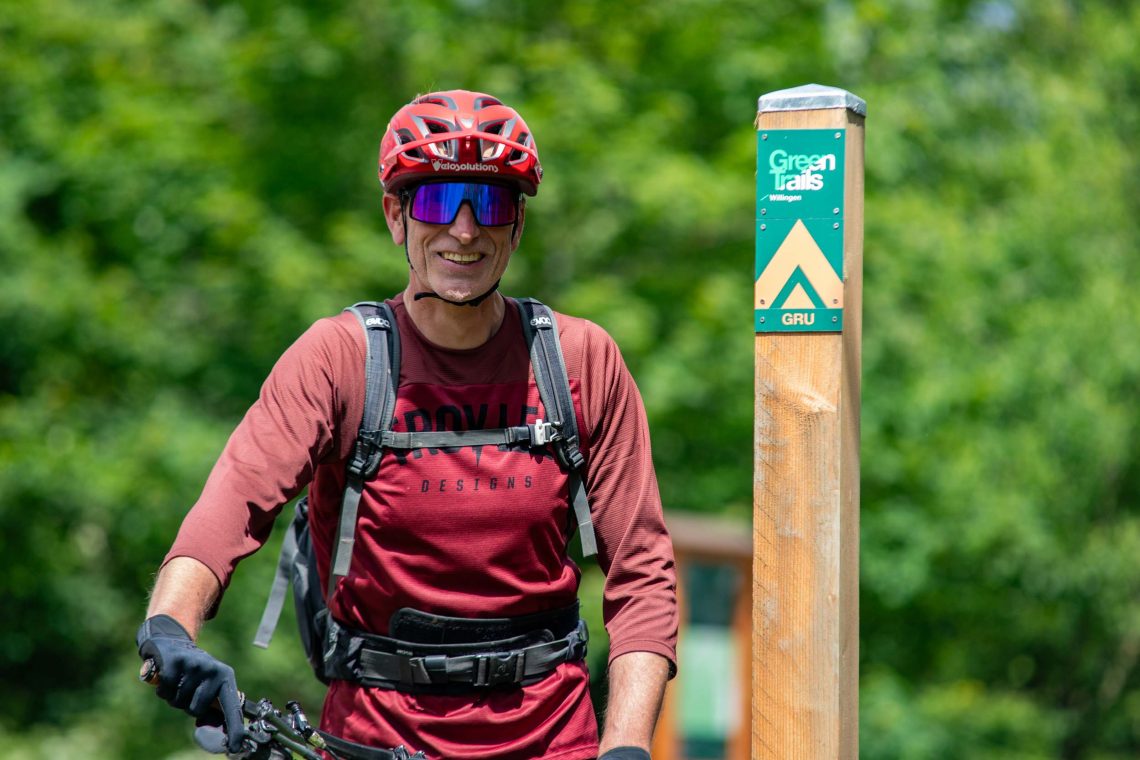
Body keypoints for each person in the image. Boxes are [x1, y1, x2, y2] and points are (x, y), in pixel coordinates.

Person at [137, 89, 677, 760]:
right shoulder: (340, 359)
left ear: (518, 225)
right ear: (396, 216)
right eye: (436, 202)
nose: (464, 230)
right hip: (373, 736)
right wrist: (170, 626)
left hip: (551, 737)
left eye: (492, 204)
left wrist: (627, 745)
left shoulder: (580, 361)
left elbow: (643, 572)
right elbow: (232, 505)